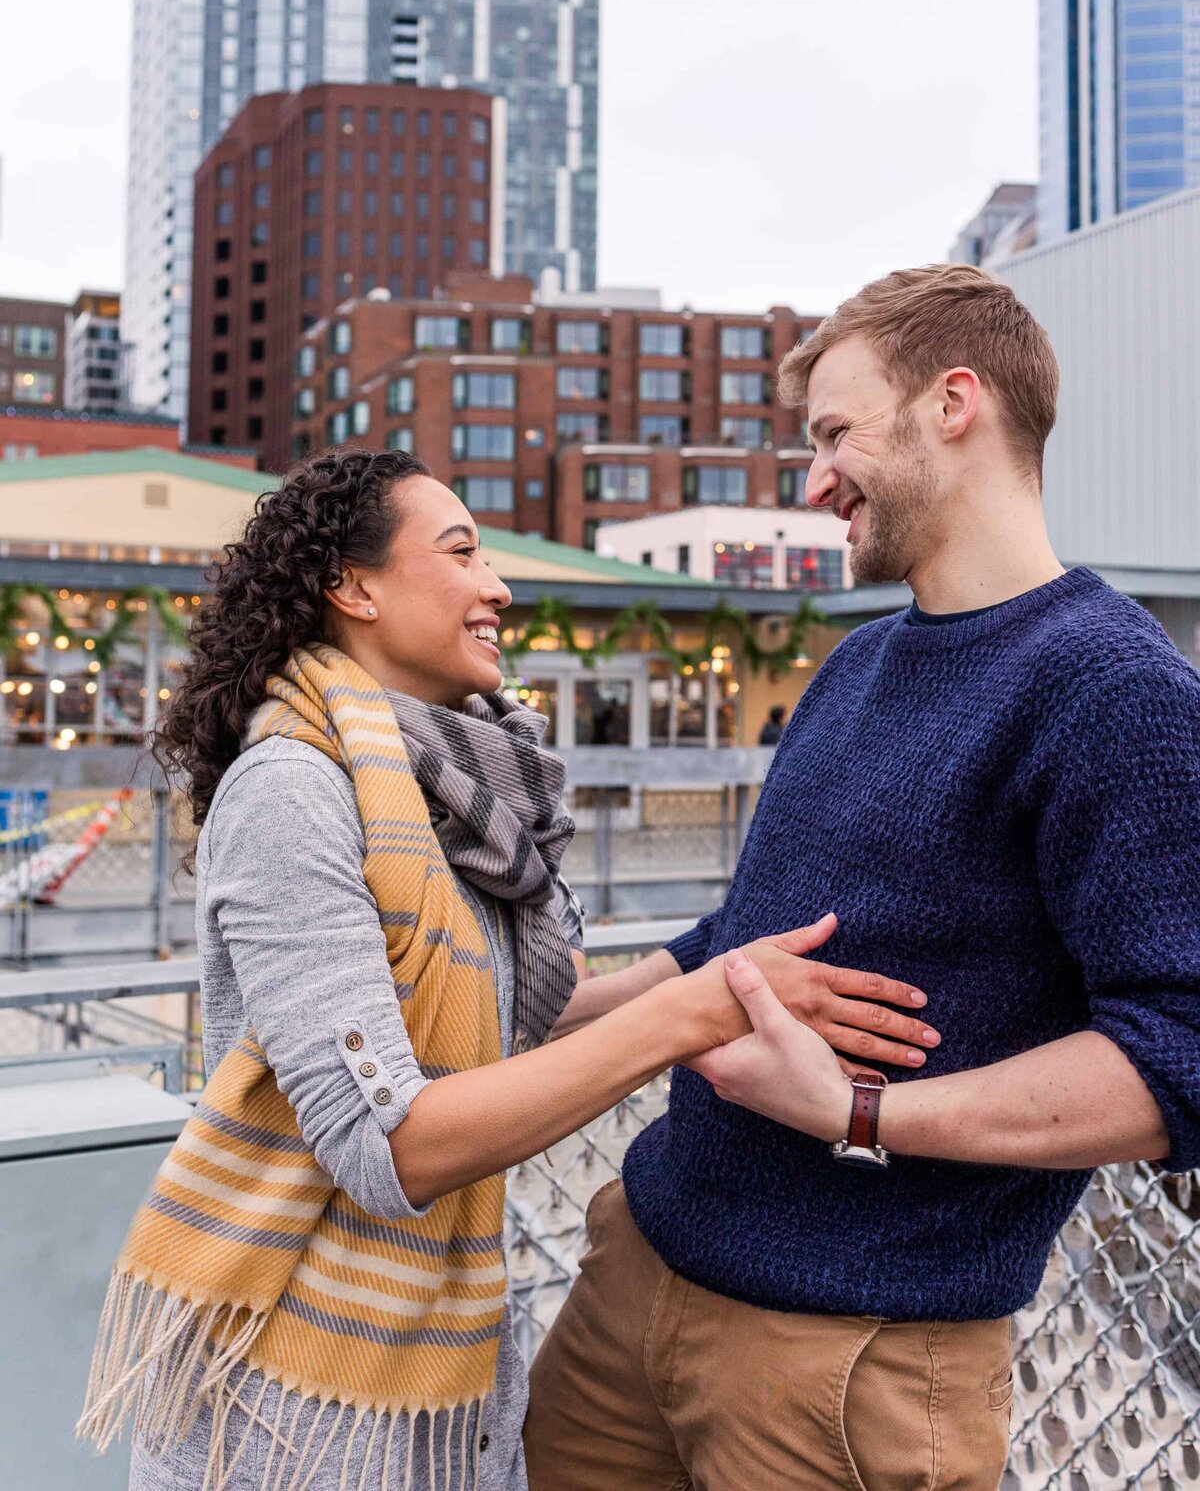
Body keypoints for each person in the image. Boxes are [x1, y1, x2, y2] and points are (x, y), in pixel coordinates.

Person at [79, 450, 935, 1491]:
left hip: (441, 1399)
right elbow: (388, 1142)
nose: (499, 585)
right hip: (292, 1413)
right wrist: (693, 1013)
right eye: (461, 552)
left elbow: (513, 1018)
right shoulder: (292, 790)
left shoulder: (453, 797)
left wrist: (723, 958)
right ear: (352, 587)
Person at [524, 264, 1200, 1491]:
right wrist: (528, 1009)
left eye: (836, 433)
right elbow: (741, 939)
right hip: (636, 1270)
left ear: (955, 402)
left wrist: (858, 1111)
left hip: (852, 1365)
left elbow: (1179, 1055)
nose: (815, 479)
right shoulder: (854, 663)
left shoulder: (1118, 691)